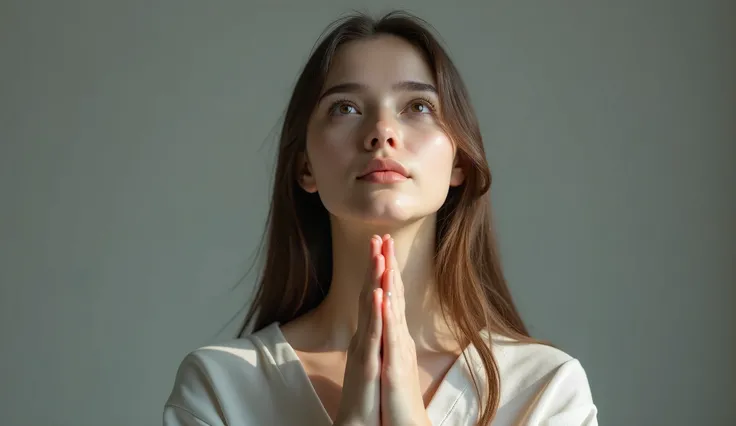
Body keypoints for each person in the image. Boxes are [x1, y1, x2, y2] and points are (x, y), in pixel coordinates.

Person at [163, 10, 598, 426]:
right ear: (305, 167)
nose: (381, 131)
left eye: (418, 107)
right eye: (345, 108)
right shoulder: (220, 389)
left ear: (458, 162)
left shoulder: (544, 389)